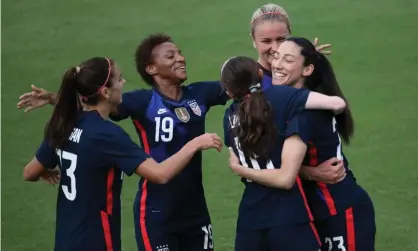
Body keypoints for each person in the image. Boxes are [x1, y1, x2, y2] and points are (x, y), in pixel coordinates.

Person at [17, 34, 229, 251]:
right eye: (119, 79)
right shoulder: (109, 134)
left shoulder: (63, 125)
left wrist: (59, 100)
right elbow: (160, 174)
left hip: (68, 238)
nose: (124, 83)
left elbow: (29, 172)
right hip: (104, 236)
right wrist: (196, 143)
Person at [222, 56, 348, 251]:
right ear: (261, 74)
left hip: (249, 221)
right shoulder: (281, 97)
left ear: (229, 92)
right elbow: (336, 104)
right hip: (289, 217)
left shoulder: (228, 117)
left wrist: (240, 169)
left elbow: (242, 158)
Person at [271, 37, 376, 250]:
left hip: (339, 210)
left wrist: (239, 165)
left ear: (307, 70)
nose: (277, 65)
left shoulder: (307, 111)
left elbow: (283, 170)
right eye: (276, 56)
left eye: (288, 60)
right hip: (311, 213)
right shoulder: (298, 101)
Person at [250, 3, 345, 185]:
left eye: (281, 39)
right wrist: (311, 172)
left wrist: (306, 60)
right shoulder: (250, 83)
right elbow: (257, 154)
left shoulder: (301, 73)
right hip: (282, 187)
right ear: (253, 40)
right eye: (266, 41)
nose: (276, 47)